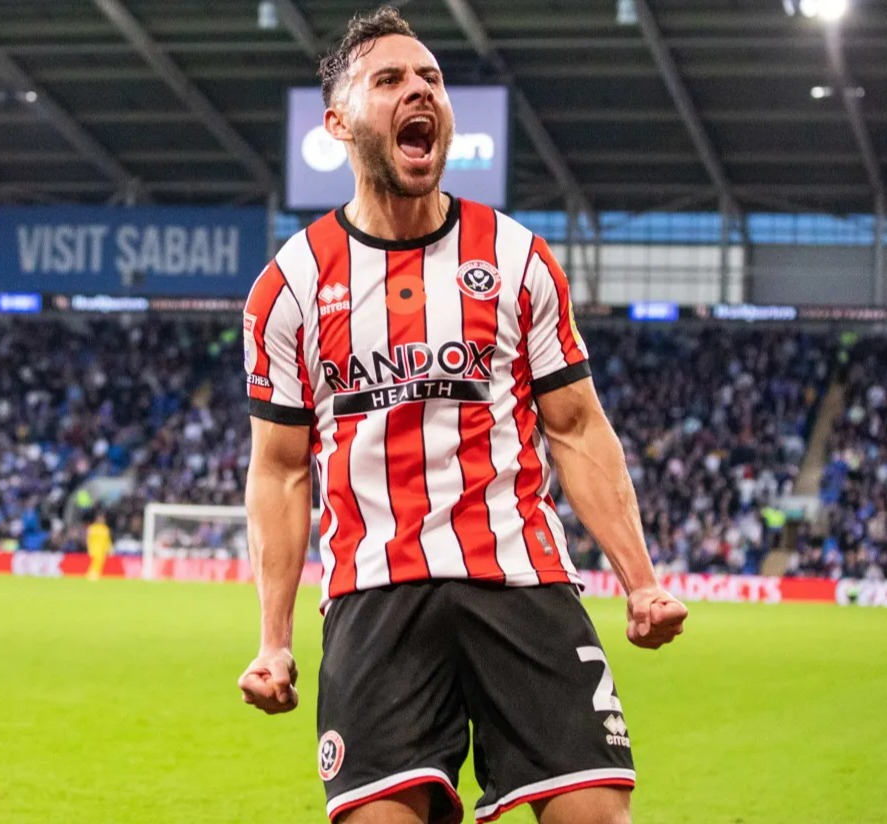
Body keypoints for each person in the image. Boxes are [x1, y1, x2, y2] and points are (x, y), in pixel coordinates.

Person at [237, 7, 688, 824]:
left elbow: (576, 426)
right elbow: (279, 467)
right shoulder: (290, 284)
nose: (420, 91)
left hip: (517, 579)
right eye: (390, 80)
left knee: (592, 813)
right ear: (338, 122)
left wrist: (642, 581)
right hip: (375, 594)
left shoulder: (514, 256)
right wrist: (274, 640)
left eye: (431, 80)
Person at [85, 510, 112, 581]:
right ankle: (92, 574)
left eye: (102, 518)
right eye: (100, 518)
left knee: (100, 562)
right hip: (94, 548)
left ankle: (96, 574)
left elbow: (108, 540)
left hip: (102, 549)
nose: (101, 520)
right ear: (97, 519)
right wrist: (89, 547)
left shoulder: (105, 529)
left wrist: (109, 548)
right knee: (95, 561)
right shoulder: (92, 528)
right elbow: (88, 539)